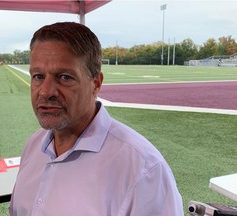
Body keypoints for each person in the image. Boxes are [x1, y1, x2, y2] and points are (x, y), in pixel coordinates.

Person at [9, 22, 184, 216]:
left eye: (65, 77)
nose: (46, 91)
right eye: (38, 76)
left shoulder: (143, 169)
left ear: (96, 83)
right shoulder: (33, 146)